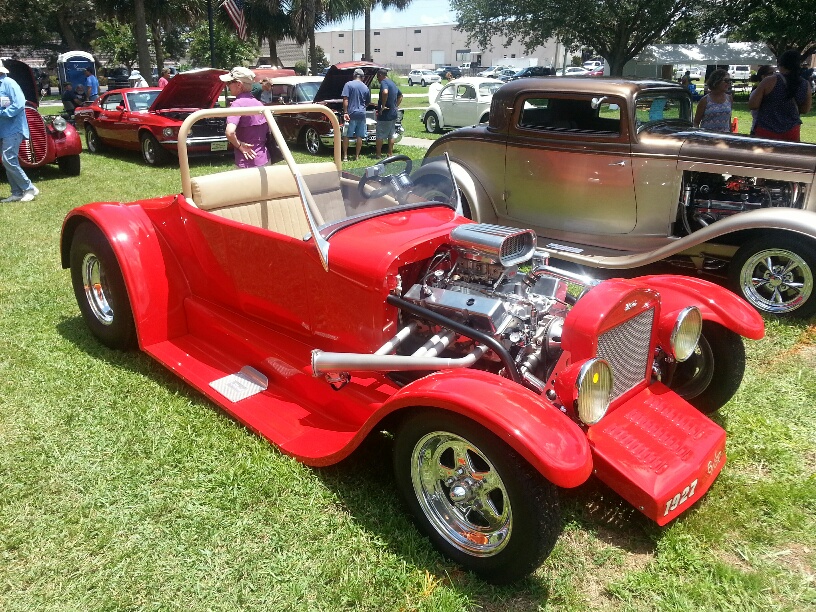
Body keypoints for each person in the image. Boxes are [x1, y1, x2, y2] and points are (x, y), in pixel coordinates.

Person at [749, 49, 813, 142]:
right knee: (788, 152)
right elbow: (805, 110)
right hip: (791, 130)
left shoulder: (769, 81)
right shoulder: (805, 84)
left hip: (766, 129)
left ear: (781, 64)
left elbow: (753, 105)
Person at [0, 59, 38, 202]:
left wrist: (2, 113)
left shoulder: (9, 83)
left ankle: (29, 188)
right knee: (7, 161)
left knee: (8, 159)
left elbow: (19, 104)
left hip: (14, 128)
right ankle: (16, 192)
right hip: (3, 129)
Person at [220, 66, 269, 168]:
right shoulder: (259, 104)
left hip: (246, 163)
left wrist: (240, 146)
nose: (227, 86)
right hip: (265, 160)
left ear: (239, 84)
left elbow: (230, 132)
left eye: (229, 83)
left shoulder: (237, 105)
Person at [341, 68, 370, 162]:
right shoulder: (365, 87)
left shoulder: (348, 85)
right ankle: (357, 156)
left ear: (354, 76)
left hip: (351, 114)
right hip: (361, 114)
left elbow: (345, 99)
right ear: (362, 77)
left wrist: (345, 112)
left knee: (346, 135)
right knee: (359, 136)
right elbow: (367, 102)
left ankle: (345, 156)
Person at [375, 68, 402, 158]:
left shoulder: (384, 82)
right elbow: (400, 95)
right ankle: (390, 153)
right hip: (393, 113)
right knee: (391, 135)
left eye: (377, 77)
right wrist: (395, 106)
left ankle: (378, 154)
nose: (378, 79)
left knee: (380, 135)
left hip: (385, 114)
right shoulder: (392, 83)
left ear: (380, 75)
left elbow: (385, 92)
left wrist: (383, 106)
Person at [749, 65, 775, 135]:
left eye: (775, 73)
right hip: (759, 130)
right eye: (771, 73)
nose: (775, 76)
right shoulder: (757, 92)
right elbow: (754, 109)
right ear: (763, 77)